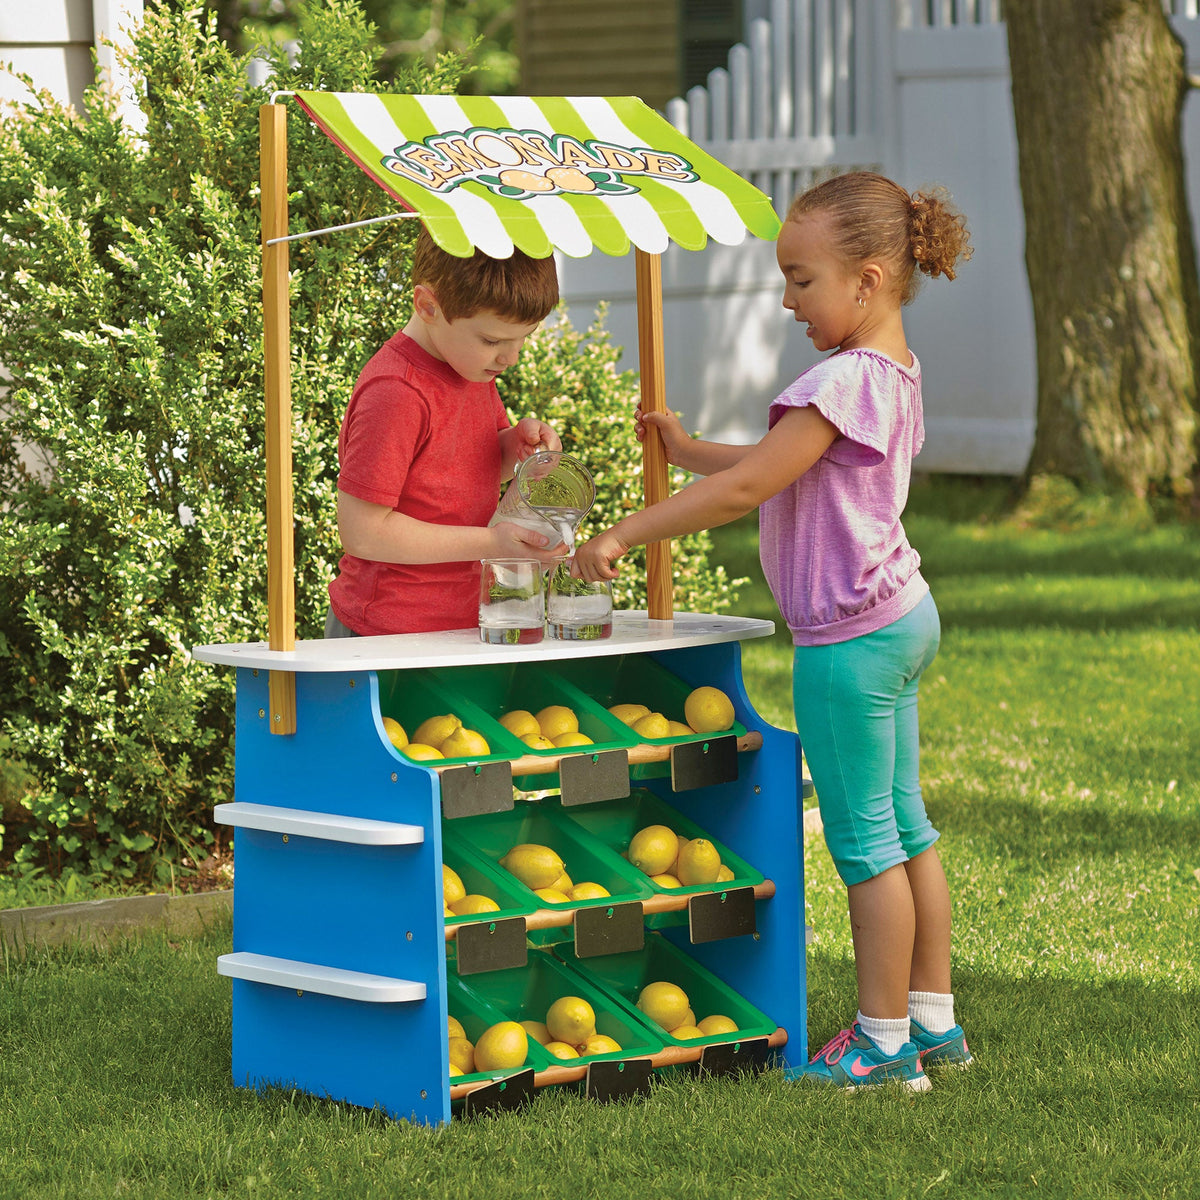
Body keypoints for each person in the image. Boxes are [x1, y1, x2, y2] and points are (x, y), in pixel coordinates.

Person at [573, 172, 973, 1091]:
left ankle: (878, 1048)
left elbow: (753, 486)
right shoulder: (890, 373)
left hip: (850, 645)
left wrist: (629, 530)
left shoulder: (837, 380)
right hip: (901, 617)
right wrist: (687, 450)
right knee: (908, 829)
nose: (787, 299)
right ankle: (931, 1021)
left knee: (866, 842)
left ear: (866, 281)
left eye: (801, 280)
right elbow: (775, 464)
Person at [326, 226, 566, 637]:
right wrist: (492, 544)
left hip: (461, 622)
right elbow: (362, 533)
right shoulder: (396, 393)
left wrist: (518, 451)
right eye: (493, 339)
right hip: (387, 630)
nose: (511, 357)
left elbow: (469, 468)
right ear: (428, 306)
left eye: (525, 338)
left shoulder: (470, 367)